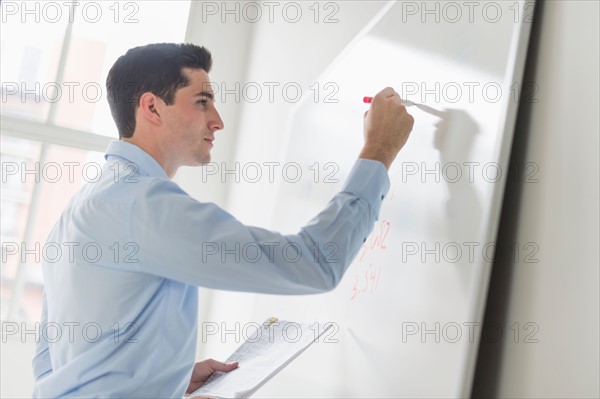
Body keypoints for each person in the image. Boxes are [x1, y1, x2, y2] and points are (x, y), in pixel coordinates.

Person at [32, 43, 414, 398]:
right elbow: (316, 264)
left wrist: (166, 376)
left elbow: (51, 364)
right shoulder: (143, 205)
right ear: (151, 108)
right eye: (202, 102)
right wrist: (378, 151)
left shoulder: (85, 204)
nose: (217, 121)